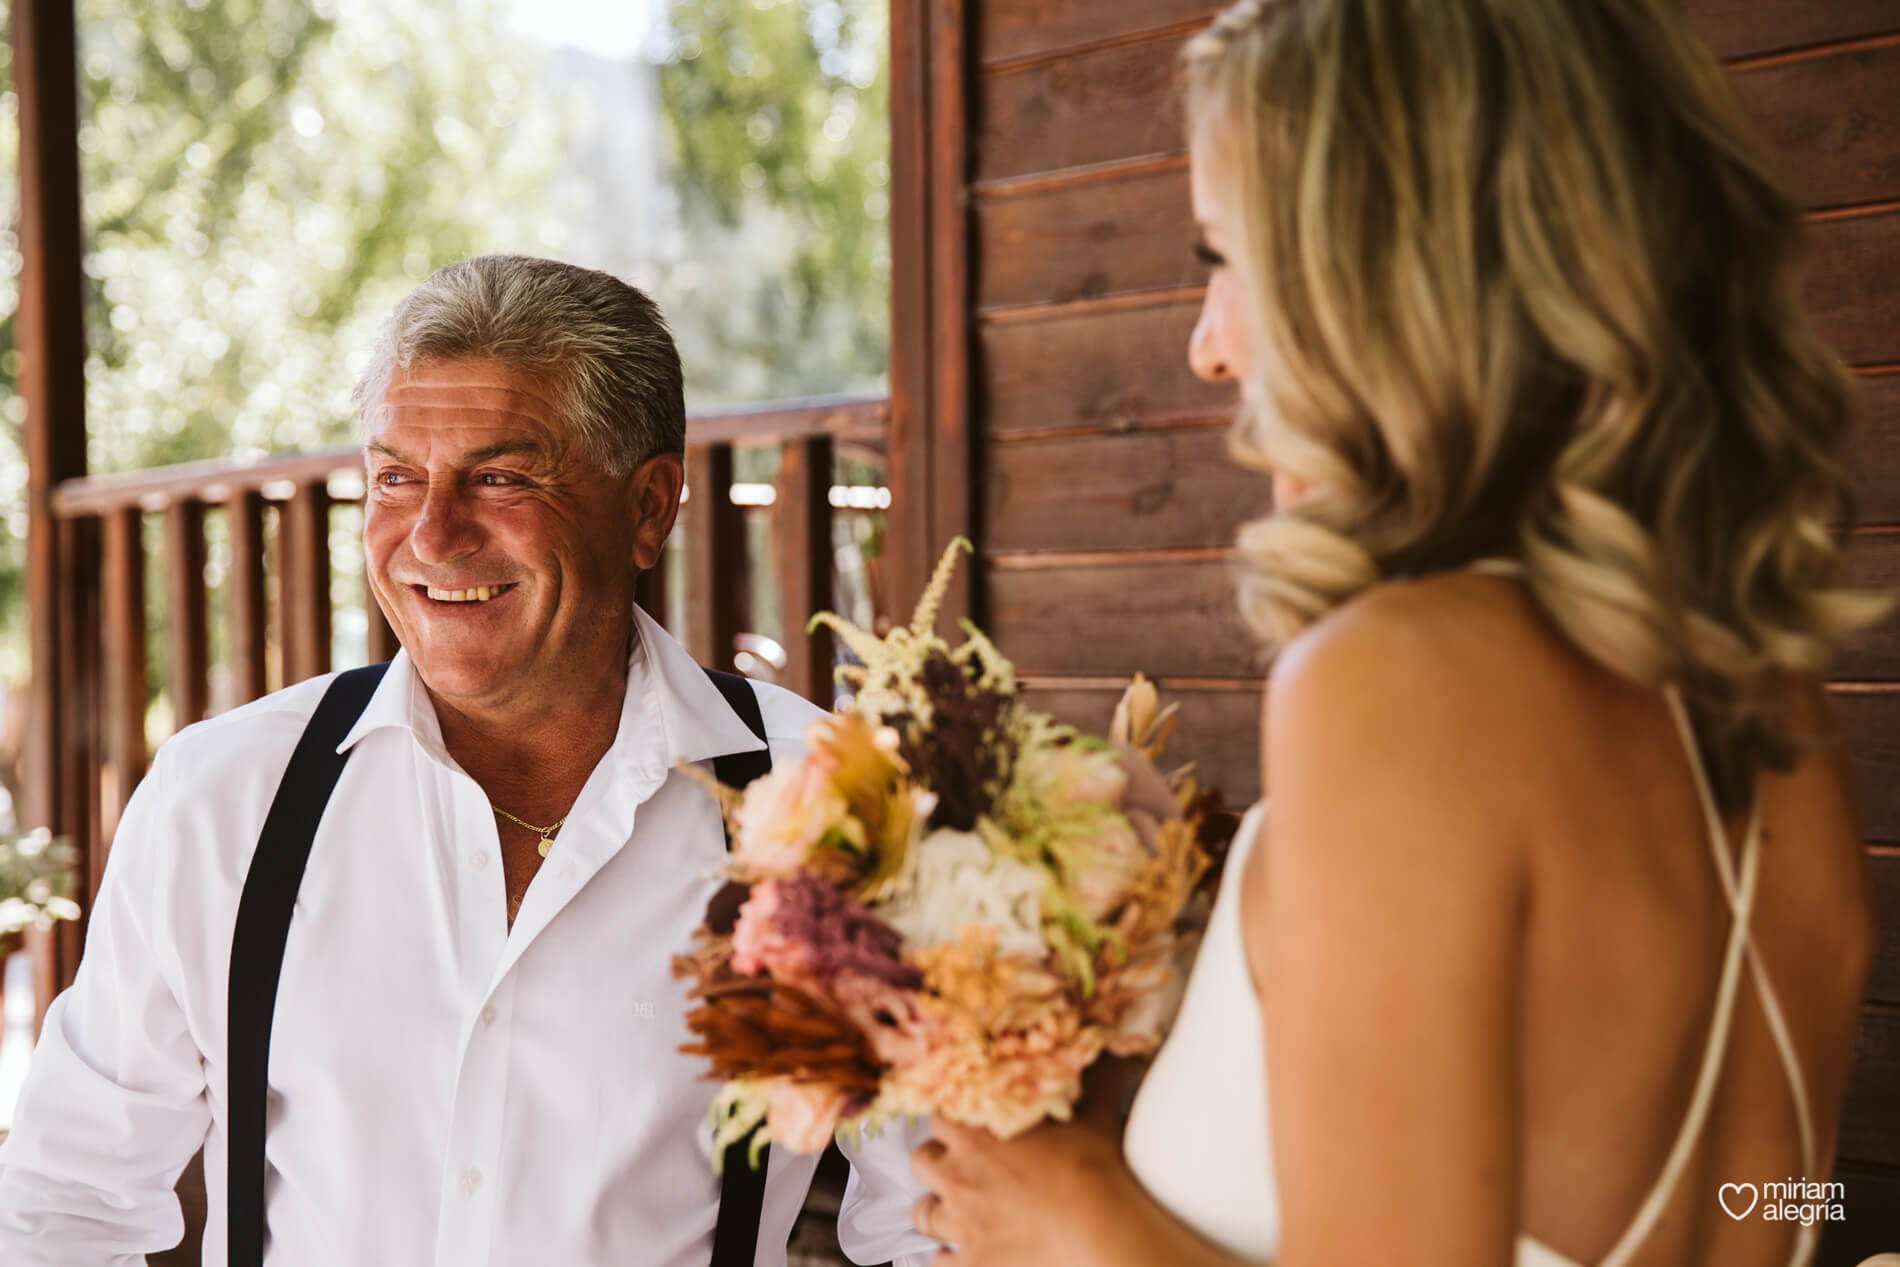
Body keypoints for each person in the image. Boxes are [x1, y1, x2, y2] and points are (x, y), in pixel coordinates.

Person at [908, 1, 1885, 1263]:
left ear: (1379, 277)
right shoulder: (1776, 712)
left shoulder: (1390, 680)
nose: (1208, 348)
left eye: (1222, 259)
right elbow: (1785, 1207)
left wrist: (1083, 1220)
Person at [0, 254, 935, 1267]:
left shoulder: (832, 808)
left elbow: (940, 1220)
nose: (432, 536)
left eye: (500, 476)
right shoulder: (223, 797)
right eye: (397, 476)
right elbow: (67, 1199)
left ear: (649, 506)